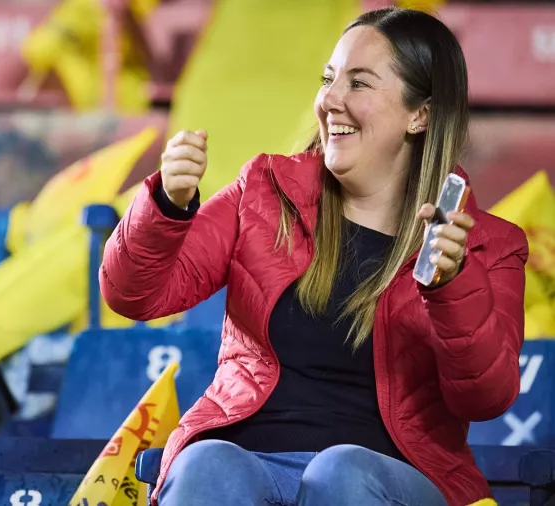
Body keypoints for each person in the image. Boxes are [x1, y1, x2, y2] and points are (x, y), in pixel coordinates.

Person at [100, 7, 528, 506]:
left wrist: (451, 286)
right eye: (329, 79)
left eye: (359, 84)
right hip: (246, 462)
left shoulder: (489, 246)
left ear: (421, 114)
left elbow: (485, 396)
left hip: (389, 479)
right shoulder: (262, 191)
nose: (330, 100)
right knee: (206, 462)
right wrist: (166, 208)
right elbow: (134, 295)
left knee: (340, 471)